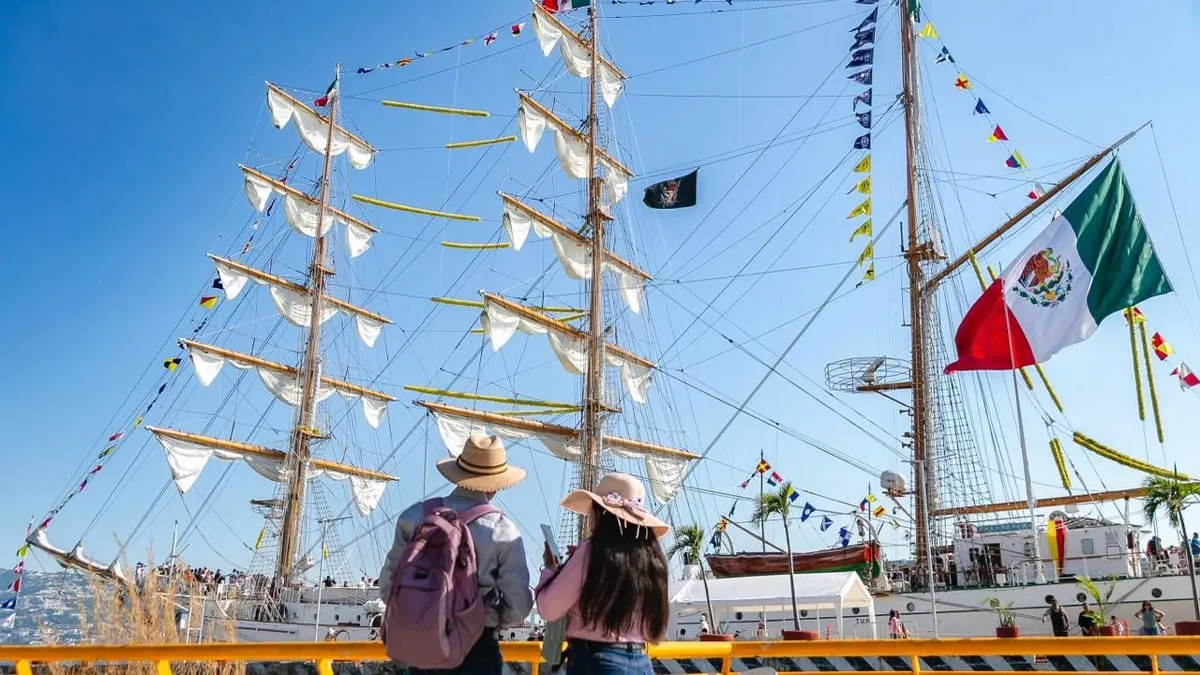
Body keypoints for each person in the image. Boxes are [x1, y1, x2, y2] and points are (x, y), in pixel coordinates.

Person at [379, 434, 533, 675]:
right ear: (496, 484)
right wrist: (487, 617)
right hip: (476, 647)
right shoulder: (502, 530)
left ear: (458, 474)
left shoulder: (414, 517)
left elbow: (387, 586)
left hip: (424, 646)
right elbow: (518, 606)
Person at [535, 472, 670, 675]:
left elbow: (549, 608)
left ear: (600, 513)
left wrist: (551, 570)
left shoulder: (591, 552)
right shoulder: (652, 558)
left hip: (597, 661)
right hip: (641, 662)